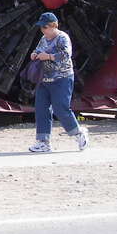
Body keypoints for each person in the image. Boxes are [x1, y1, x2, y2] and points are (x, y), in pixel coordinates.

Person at [27, 12, 89, 152]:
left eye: (45, 27)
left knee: (61, 108)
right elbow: (38, 49)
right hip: (44, 79)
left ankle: (78, 133)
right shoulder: (44, 38)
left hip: (62, 79)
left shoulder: (63, 38)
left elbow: (66, 55)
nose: (43, 30)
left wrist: (48, 56)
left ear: (54, 26)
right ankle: (43, 142)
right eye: (41, 27)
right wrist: (34, 54)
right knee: (41, 108)